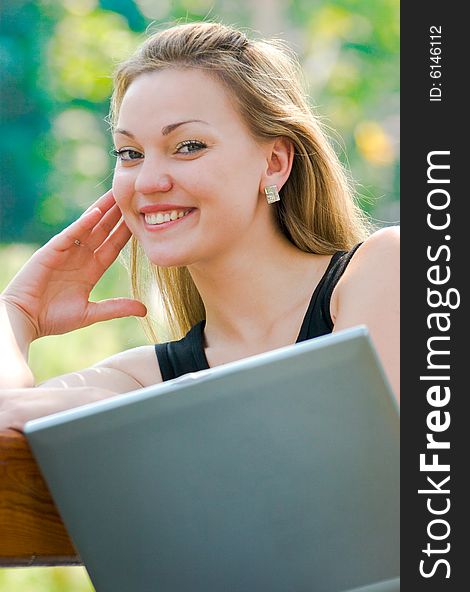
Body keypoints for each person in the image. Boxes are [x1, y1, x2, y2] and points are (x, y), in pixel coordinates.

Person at [0, 21, 399, 431]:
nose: (149, 181)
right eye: (130, 152)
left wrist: (143, 413)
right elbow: (5, 419)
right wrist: (17, 312)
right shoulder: (141, 379)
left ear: (274, 162)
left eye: (188, 146)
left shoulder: (386, 270)